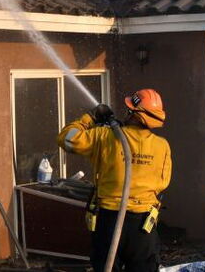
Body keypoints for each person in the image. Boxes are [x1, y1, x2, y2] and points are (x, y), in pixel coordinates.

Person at [57, 88, 172, 272]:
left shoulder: (105, 137)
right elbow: (162, 183)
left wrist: (90, 117)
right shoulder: (162, 146)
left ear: (135, 115)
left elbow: (67, 139)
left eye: (129, 111)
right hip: (143, 227)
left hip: (110, 221)